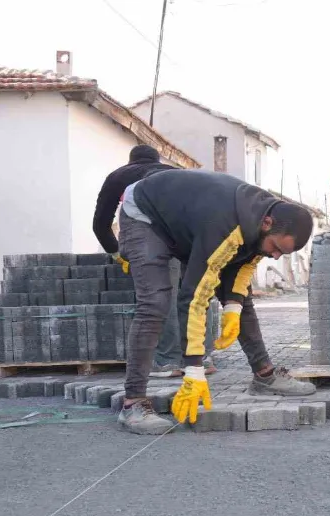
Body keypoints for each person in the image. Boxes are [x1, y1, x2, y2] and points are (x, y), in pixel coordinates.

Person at [115, 169, 317, 435]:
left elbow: (243, 269)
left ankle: (265, 376)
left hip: (187, 223)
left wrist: (233, 306)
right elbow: (194, 297)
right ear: (267, 223)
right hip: (144, 214)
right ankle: (133, 403)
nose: (276, 257)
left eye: (283, 253)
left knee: (242, 301)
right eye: (277, 248)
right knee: (155, 302)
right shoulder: (225, 226)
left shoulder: (261, 223)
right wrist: (194, 369)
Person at [92, 144, 217, 377]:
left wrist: (117, 253)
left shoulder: (119, 176)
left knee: (160, 296)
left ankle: (167, 362)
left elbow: (100, 223)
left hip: (154, 235)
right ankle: (201, 358)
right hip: (190, 233)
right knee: (195, 294)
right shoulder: (176, 173)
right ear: (157, 160)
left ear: (131, 161)